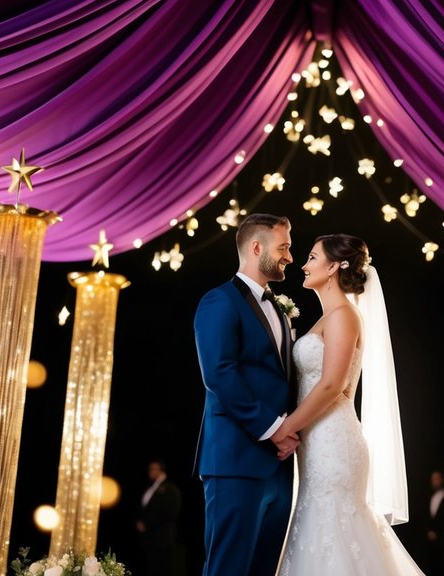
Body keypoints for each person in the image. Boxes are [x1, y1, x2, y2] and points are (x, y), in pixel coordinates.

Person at [276, 233, 424, 575]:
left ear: (332, 267)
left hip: (333, 442)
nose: (303, 263)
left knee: (334, 527)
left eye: (312, 257)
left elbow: (333, 385)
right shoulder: (328, 318)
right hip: (316, 441)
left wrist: (287, 428)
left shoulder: (344, 315)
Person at [193, 213, 299, 576]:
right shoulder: (219, 301)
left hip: (280, 466)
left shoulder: (281, 312)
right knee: (228, 568)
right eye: (283, 247)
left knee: (263, 569)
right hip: (235, 458)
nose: (289, 257)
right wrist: (275, 429)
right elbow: (220, 375)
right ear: (257, 248)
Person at [136, 458, 182, 576]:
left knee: (161, 568)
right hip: (149, 537)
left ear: (160, 470)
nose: (150, 471)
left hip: (162, 537)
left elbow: (169, 511)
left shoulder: (169, 488)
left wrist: (146, 523)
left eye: (153, 469)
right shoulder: (151, 486)